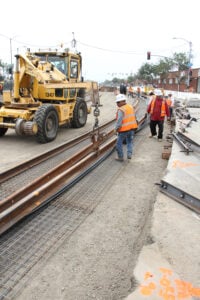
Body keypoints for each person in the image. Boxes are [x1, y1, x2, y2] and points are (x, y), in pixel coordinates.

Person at [114, 94, 138, 161]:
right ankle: (129, 154)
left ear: (122, 101)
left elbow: (119, 121)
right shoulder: (130, 107)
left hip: (124, 130)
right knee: (129, 142)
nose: (117, 104)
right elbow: (134, 117)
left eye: (118, 102)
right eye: (117, 102)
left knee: (119, 144)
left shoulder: (121, 109)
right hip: (132, 129)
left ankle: (120, 157)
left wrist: (115, 129)